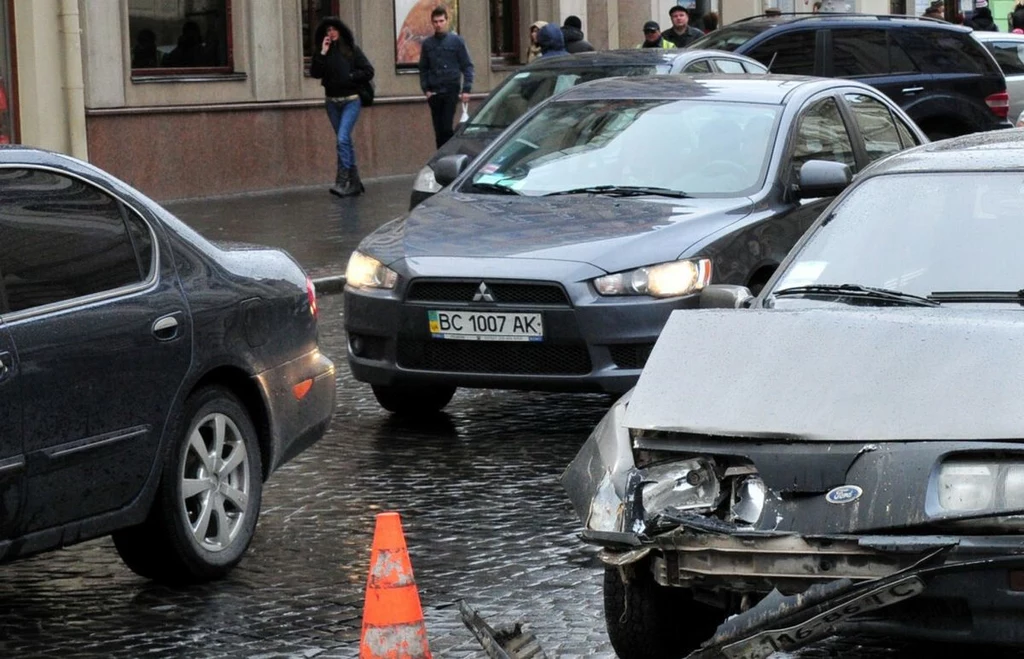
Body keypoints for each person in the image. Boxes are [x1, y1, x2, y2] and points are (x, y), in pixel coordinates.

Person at [310, 17, 375, 197]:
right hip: (332, 102)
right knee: (344, 142)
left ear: (340, 31)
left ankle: (342, 180)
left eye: (334, 29)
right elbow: (315, 73)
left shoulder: (351, 51)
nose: (331, 33)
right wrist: (322, 53)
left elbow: (369, 71)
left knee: (342, 139)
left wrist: (351, 76)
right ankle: (354, 182)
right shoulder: (324, 52)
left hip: (351, 100)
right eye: (328, 30)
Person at [418, 5, 474, 149]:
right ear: (432, 23)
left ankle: (448, 156)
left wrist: (466, 89)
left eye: (441, 21)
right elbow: (423, 68)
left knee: (446, 127)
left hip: (451, 90)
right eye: (436, 22)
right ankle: (440, 158)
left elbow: (467, 65)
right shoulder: (428, 44)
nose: (438, 24)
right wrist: (426, 90)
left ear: (447, 21)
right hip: (434, 91)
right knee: (438, 130)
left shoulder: (456, 42)